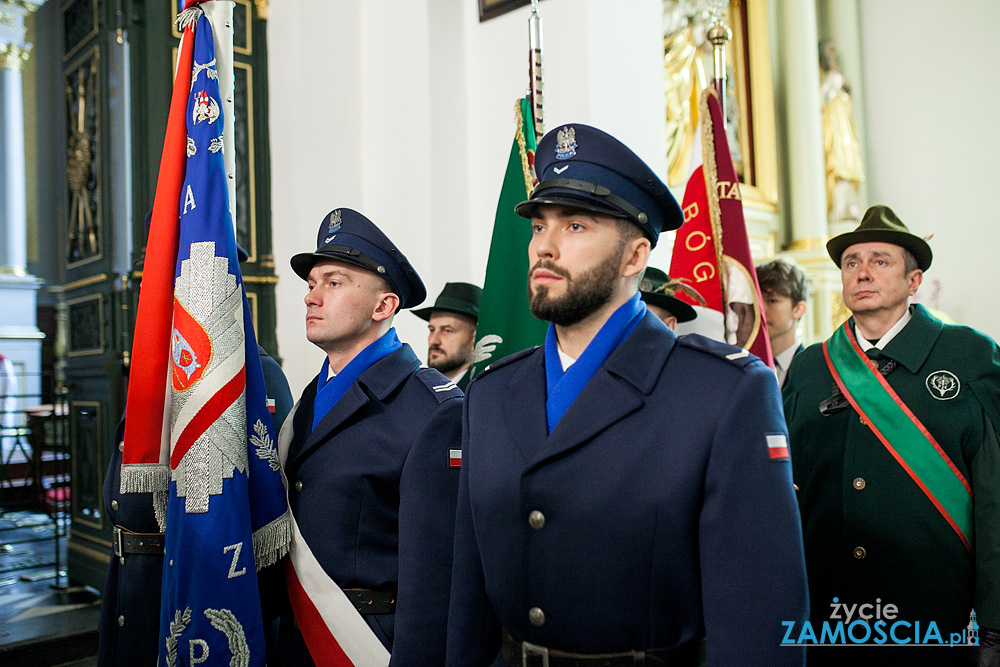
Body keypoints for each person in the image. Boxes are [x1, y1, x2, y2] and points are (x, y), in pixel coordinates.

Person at [446, 124, 808, 666]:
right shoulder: (490, 393)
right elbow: (468, 600)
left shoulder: (722, 394)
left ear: (635, 256)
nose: (544, 246)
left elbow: (760, 624)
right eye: (540, 225)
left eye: (574, 225)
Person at [783, 205, 1000, 666]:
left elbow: (995, 497)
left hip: (935, 620)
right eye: (851, 263)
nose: (862, 273)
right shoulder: (810, 367)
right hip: (831, 621)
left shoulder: (971, 357)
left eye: (880, 261)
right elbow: (788, 493)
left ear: (914, 281)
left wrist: (995, 625)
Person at [278, 208, 462, 666]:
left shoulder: (433, 410)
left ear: (384, 306)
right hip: (295, 642)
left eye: (334, 282)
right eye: (311, 284)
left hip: (371, 645)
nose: (311, 297)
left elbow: (444, 575)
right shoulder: (307, 404)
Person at [98, 243, 293, 667]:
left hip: (186, 577)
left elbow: (259, 497)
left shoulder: (255, 377)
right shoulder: (157, 368)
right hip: (130, 579)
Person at [412, 282, 481, 391]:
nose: (434, 340)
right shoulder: (418, 390)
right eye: (432, 330)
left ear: (474, 337)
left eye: (447, 331)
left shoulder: (482, 393)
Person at [756, 259, 808, 387]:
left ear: (798, 309)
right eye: (757, 300)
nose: (760, 310)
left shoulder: (813, 369)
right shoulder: (746, 365)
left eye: (772, 301)